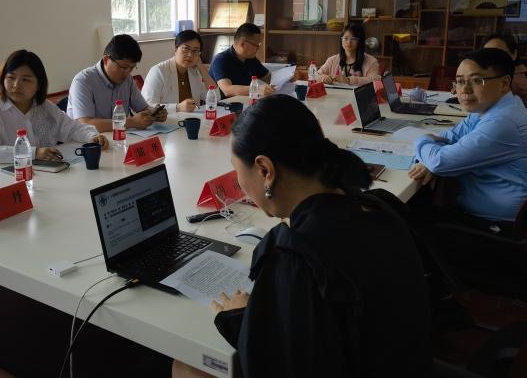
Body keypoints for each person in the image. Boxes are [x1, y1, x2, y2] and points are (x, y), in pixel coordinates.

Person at [173, 95, 431, 378]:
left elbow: (284, 364)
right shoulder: (378, 205)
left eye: (237, 172)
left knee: (187, 366)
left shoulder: (297, 256)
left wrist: (242, 321)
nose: (241, 184)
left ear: (265, 170)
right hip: (409, 363)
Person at [409, 48, 527, 223]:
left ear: (504, 84)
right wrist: (427, 160)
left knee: (405, 214)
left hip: (501, 225)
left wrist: (423, 140)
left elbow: (440, 162)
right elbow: (450, 137)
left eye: (476, 80)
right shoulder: (489, 108)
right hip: (498, 211)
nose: (465, 89)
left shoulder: (504, 121)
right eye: (460, 81)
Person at [0, 50, 107, 166]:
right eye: (11, 78)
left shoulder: (44, 107)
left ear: (39, 84)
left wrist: (92, 136)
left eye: (25, 79)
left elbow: (71, 128)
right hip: (2, 181)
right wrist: (34, 153)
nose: (16, 85)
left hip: (41, 175)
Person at [68, 34, 167, 132]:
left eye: (132, 68)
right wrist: (130, 122)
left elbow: (143, 108)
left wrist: (154, 113)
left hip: (120, 138)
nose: (127, 73)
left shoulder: (128, 80)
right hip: (88, 140)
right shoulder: (83, 81)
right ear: (106, 60)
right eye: (123, 67)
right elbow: (85, 124)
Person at [142, 30, 218, 112]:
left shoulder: (195, 71)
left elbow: (216, 97)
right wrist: (177, 107)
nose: (190, 55)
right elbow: (147, 106)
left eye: (195, 51)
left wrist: (202, 68)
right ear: (175, 48)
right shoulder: (158, 71)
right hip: (167, 119)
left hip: (192, 118)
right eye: (186, 49)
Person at [209, 23, 274, 99]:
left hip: (245, 102)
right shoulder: (221, 60)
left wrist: (285, 77)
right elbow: (227, 90)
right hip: (223, 104)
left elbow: (268, 78)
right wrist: (257, 89)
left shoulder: (251, 59)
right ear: (242, 43)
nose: (258, 48)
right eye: (256, 45)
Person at [483, 32, 527, 108]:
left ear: (514, 54)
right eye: (486, 54)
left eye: (498, 53)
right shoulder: (504, 74)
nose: (492, 59)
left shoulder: (512, 82)